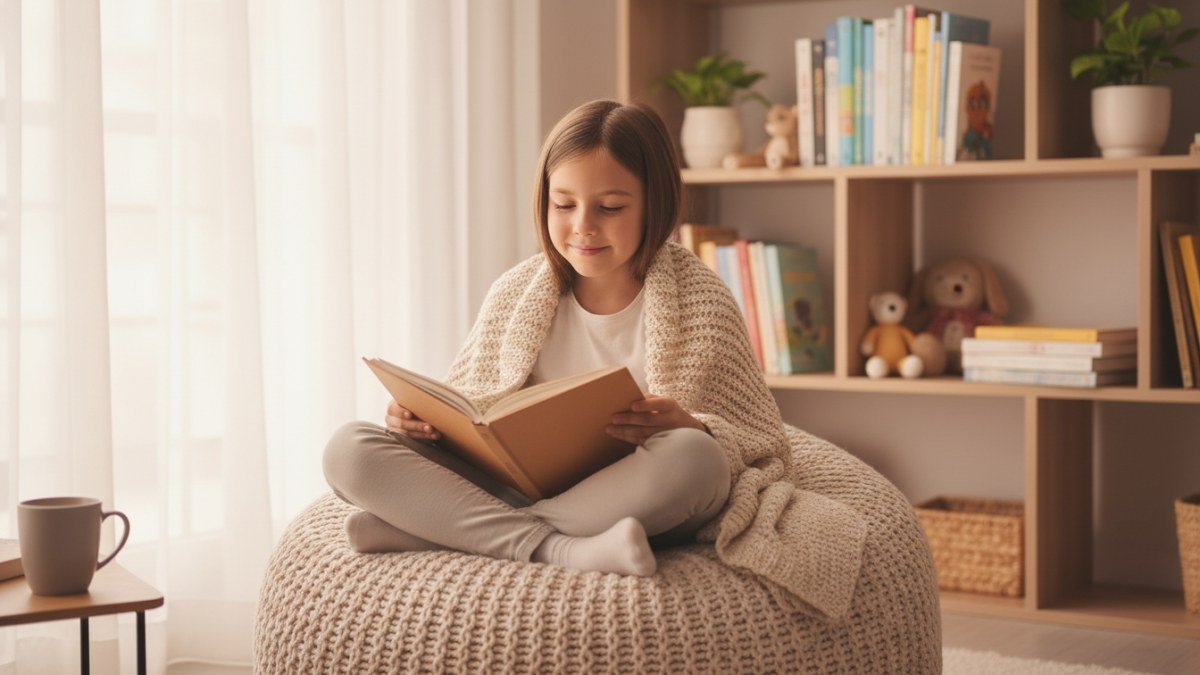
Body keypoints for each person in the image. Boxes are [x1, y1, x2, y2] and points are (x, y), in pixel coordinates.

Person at [322, 99, 736, 577]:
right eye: (564, 204)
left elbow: (755, 441)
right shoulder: (516, 292)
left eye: (610, 207)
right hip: (513, 487)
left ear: (654, 204)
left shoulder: (701, 299)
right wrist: (418, 424)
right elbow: (472, 409)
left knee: (697, 459)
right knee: (348, 449)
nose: (583, 225)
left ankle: (436, 531)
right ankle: (562, 549)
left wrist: (693, 425)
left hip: (628, 491)